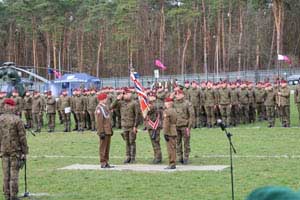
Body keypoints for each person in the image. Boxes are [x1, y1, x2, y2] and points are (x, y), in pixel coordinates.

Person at [0, 98, 29, 200]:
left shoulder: (0, 119)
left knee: (5, 174)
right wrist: (25, 151)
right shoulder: (17, 119)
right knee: (14, 174)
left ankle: (6, 195)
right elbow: (22, 137)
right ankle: (13, 196)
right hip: (15, 151)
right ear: (12, 107)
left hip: (3, 151)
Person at [111, 88, 139, 164]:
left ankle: (133, 157)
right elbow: (111, 107)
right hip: (124, 125)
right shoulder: (121, 103)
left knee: (132, 141)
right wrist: (117, 99)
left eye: (127, 93)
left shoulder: (134, 103)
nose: (126, 95)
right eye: (125, 94)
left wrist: (135, 126)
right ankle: (128, 156)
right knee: (126, 142)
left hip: (131, 125)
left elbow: (137, 115)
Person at [173, 89, 194, 165]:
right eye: (176, 94)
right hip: (176, 126)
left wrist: (189, 127)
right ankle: (179, 157)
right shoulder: (174, 103)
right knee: (177, 143)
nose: (177, 95)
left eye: (178, 94)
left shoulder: (187, 103)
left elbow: (191, 116)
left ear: (183, 95)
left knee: (186, 143)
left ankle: (186, 157)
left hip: (185, 126)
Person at [95, 93, 113, 168]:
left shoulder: (105, 107)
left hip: (107, 130)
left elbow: (108, 120)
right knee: (103, 147)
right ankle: (103, 162)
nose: (106, 100)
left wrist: (110, 129)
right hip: (104, 131)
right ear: (102, 99)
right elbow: (99, 121)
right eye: (105, 98)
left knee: (107, 147)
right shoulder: (99, 108)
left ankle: (106, 161)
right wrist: (101, 132)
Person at [145, 92, 162, 164]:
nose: (150, 98)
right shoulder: (150, 104)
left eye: (151, 96)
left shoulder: (155, 104)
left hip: (155, 126)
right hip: (151, 126)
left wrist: (144, 105)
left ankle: (158, 157)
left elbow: (148, 111)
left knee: (156, 142)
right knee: (153, 142)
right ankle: (156, 156)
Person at [163, 97, 177, 169]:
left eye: (165, 102)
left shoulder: (167, 111)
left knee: (170, 148)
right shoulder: (174, 110)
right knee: (173, 147)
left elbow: (166, 123)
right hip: (174, 130)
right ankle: (173, 162)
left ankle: (172, 163)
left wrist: (165, 132)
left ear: (168, 103)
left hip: (169, 131)